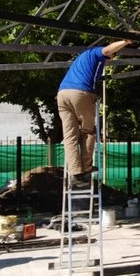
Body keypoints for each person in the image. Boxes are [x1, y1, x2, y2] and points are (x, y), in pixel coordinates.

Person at [57, 39, 133, 189]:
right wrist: (126, 41)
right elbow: (106, 50)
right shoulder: (95, 53)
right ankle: (86, 168)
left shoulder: (82, 58)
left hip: (62, 94)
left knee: (70, 136)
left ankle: (75, 173)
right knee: (88, 131)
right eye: (114, 54)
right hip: (80, 93)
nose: (112, 57)